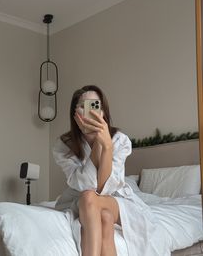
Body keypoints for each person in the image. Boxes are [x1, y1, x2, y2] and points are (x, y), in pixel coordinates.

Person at [53, 85, 164, 256]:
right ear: (75, 114)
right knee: (104, 217)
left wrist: (106, 145)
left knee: (90, 197)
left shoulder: (120, 140)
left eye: (94, 105)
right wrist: (99, 143)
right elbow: (86, 185)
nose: (89, 110)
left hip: (115, 200)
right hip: (81, 199)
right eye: (82, 105)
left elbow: (104, 188)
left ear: (103, 111)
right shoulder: (63, 146)